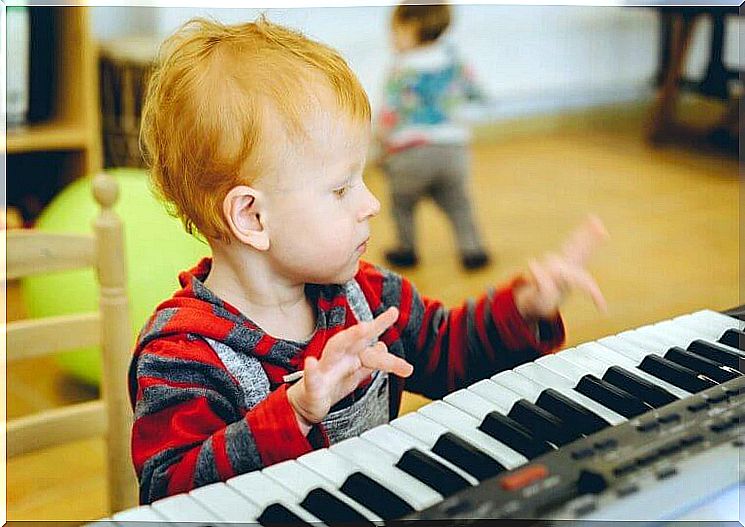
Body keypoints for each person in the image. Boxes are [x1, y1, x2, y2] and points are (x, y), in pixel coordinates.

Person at [130, 15, 608, 504]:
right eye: (341, 188)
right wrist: (293, 412)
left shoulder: (368, 295)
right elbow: (171, 496)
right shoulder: (183, 355)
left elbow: (448, 352)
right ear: (252, 217)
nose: (371, 204)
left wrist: (523, 309)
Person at [375, 3, 492, 270]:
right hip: (453, 151)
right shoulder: (455, 60)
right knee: (458, 202)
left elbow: (389, 114)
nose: (391, 38)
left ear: (412, 27)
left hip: (411, 152)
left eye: (395, 31)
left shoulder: (401, 69)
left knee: (402, 203)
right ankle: (473, 250)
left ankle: (406, 249)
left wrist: (380, 144)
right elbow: (476, 91)